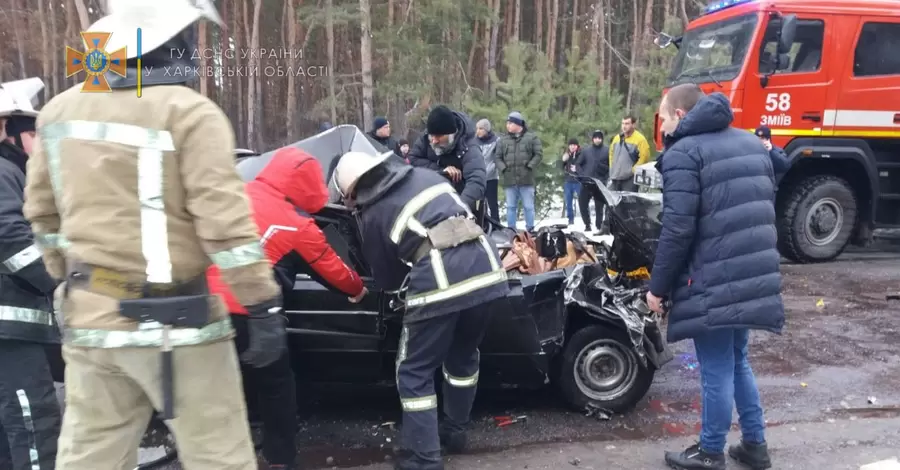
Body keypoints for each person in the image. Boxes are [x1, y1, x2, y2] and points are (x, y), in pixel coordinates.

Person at [23, 1, 287, 468]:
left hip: (92, 326)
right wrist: (261, 303)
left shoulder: (58, 114)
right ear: (171, 41)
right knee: (218, 455)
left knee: (89, 457)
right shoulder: (190, 113)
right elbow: (226, 229)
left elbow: (43, 217)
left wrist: (75, 280)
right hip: (181, 328)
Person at [332, 151, 509, 470]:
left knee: (413, 372)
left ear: (353, 191)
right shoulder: (426, 176)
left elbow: (387, 279)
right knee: (463, 356)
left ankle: (424, 458)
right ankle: (454, 432)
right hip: (488, 271)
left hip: (441, 281)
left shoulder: (373, 213)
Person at [647, 84, 784, 470]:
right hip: (751, 272)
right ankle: (755, 445)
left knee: (716, 367)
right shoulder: (750, 144)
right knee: (737, 359)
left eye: (663, 114)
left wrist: (657, 288)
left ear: (679, 115)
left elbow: (677, 229)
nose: (662, 123)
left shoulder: (684, 154)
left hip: (712, 277)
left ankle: (710, 451)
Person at [207, 147, 367, 470]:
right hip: (250, 311)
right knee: (276, 384)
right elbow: (332, 270)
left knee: (215, 385)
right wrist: (359, 289)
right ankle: (279, 458)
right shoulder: (296, 225)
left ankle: (212, 455)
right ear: (307, 187)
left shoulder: (236, 193)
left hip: (202, 305)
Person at [0, 77, 63, 470]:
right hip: (11, 331)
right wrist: (58, 284)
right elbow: (9, 236)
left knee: (10, 432)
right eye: (33, 132)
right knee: (33, 423)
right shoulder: (4, 172)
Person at [408, 105, 487, 222]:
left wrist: (458, 208)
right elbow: (413, 160)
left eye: (439, 136)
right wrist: (441, 170)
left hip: (461, 203)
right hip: (431, 204)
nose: (434, 140)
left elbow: (476, 181)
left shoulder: (469, 147)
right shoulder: (426, 138)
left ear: (451, 134)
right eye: (432, 136)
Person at [495, 111, 543, 231]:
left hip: (526, 179)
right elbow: (497, 157)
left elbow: (538, 154)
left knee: (528, 206)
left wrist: (529, 167)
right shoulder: (503, 140)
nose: (508, 125)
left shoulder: (532, 138)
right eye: (507, 123)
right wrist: (504, 169)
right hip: (509, 179)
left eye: (510, 123)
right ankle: (511, 230)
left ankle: (530, 229)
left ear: (518, 124)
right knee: (511, 207)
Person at [577, 130, 610, 233]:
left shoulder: (607, 150)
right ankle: (587, 224)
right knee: (582, 203)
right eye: (595, 138)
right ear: (592, 139)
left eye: (599, 138)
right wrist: (582, 175)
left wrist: (605, 176)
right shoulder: (586, 151)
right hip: (587, 181)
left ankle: (599, 225)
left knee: (599, 205)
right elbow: (578, 164)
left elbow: (610, 165)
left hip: (600, 182)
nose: (597, 140)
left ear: (602, 139)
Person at [608, 115, 651, 192]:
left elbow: (645, 157)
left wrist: (633, 170)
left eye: (627, 123)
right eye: (623, 123)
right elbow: (611, 153)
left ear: (633, 125)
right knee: (612, 202)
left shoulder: (640, 139)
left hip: (629, 179)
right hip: (615, 177)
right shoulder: (617, 138)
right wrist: (612, 167)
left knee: (628, 202)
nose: (624, 126)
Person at [475, 119, 500, 222]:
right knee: (479, 204)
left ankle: (496, 224)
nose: (478, 131)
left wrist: (492, 169)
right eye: (477, 129)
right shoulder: (474, 142)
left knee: (492, 203)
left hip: (491, 177)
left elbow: (498, 158)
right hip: (478, 177)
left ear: (487, 129)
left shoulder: (496, 141)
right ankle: (481, 223)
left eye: (481, 129)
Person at [560, 138, 583, 226]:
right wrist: (563, 161)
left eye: (574, 145)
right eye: (571, 145)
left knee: (582, 200)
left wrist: (577, 169)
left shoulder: (581, 154)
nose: (572, 147)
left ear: (577, 146)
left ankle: (586, 218)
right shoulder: (567, 154)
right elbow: (561, 168)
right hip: (568, 181)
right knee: (568, 201)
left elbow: (584, 166)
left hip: (578, 181)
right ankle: (570, 219)